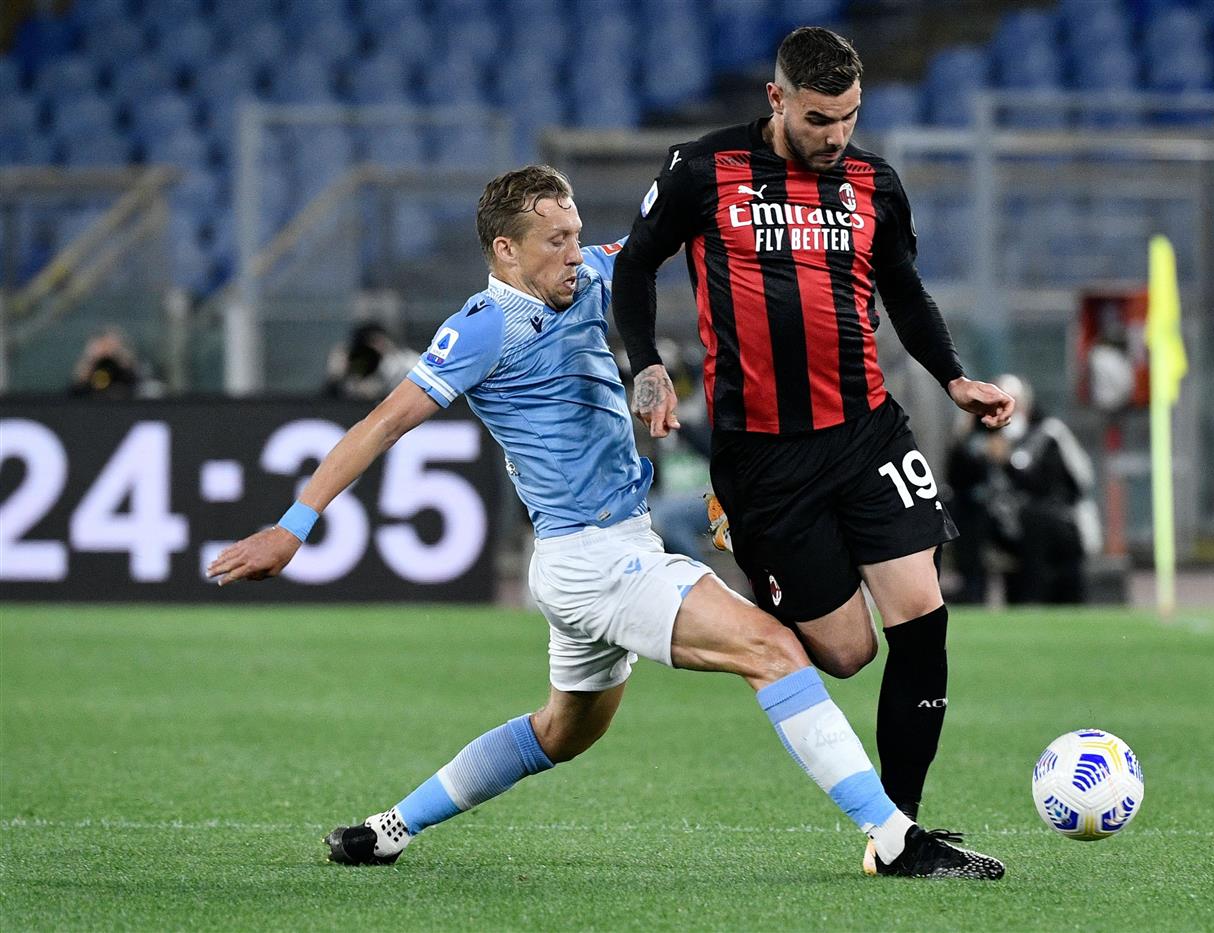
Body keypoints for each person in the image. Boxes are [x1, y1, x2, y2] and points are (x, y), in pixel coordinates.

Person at [206, 165, 1003, 880]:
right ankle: (893, 836)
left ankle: (390, 828)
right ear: (505, 251)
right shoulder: (485, 325)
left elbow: (671, 240)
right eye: (555, 241)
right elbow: (379, 424)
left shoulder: (591, 278)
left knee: (561, 731)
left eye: (578, 234)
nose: (575, 253)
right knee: (774, 649)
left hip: (608, 551)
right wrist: (293, 525)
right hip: (592, 560)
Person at [610, 26, 1014, 877]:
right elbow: (635, 266)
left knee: (922, 621)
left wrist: (954, 379)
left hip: (868, 429)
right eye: (822, 118)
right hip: (763, 459)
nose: (837, 136)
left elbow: (903, 288)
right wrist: (645, 361)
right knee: (845, 653)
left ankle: (899, 831)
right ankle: (739, 554)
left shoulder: (874, 182)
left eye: (851, 117)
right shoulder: (701, 170)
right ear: (777, 100)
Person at [947, 376, 1100, 604]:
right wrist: (966, 438)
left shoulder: (1048, 435)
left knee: (1035, 517)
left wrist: (1008, 462)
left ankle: (1032, 598)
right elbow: (956, 480)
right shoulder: (981, 439)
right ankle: (972, 591)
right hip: (1004, 524)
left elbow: (1054, 489)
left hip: (1055, 522)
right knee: (963, 510)